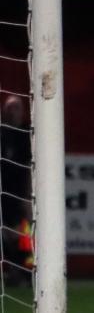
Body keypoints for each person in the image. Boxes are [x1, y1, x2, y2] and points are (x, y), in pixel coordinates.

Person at [1, 94, 33, 285]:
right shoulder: (2, 132)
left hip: (19, 192)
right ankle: (16, 271)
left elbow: (30, 165)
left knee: (22, 234)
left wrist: (28, 194)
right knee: (8, 234)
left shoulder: (26, 134)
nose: (12, 111)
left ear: (23, 111)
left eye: (16, 107)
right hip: (2, 191)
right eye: (9, 107)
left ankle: (25, 272)